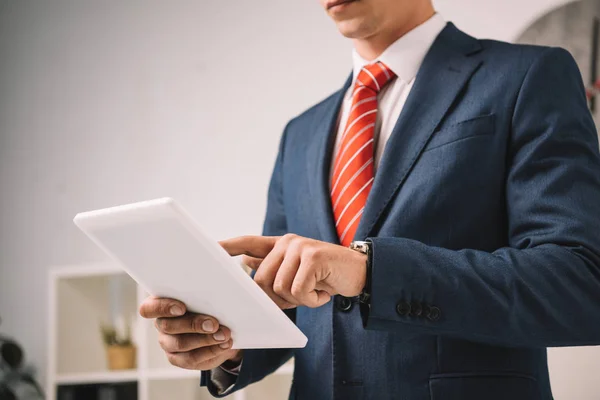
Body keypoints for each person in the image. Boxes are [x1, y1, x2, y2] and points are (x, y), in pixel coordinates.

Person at [139, 0, 600, 399]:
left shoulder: (528, 75)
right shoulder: (300, 134)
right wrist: (226, 344)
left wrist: (368, 271)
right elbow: (289, 307)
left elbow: (580, 284)